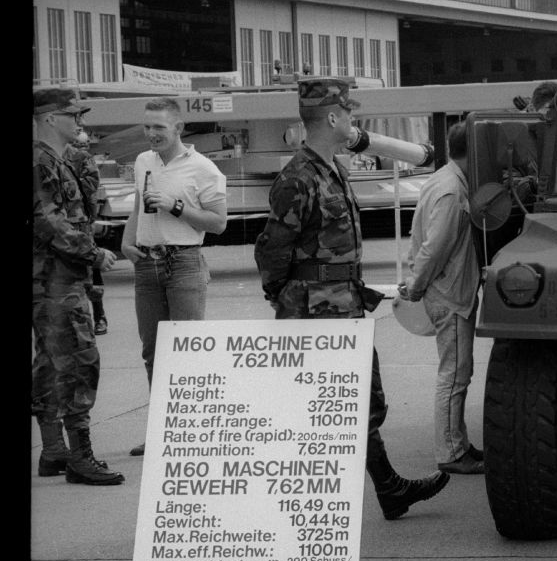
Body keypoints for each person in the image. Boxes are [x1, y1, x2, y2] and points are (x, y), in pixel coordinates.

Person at [255, 78, 450, 519]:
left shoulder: (332, 168)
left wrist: (350, 288)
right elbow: (272, 250)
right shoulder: (298, 177)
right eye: (349, 113)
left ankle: (386, 488)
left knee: (358, 400)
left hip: (342, 303)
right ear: (332, 117)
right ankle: (348, 494)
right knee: (336, 404)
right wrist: (289, 300)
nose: (353, 121)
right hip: (315, 311)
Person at [121, 97, 229, 457]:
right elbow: (139, 203)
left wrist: (175, 206)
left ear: (178, 128)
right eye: (147, 127)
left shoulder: (204, 169)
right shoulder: (143, 161)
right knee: (154, 352)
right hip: (147, 266)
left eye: (159, 128)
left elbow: (218, 223)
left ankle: (191, 433)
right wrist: (127, 239)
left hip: (183, 262)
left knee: (187, 352)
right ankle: (162, 431)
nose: (152, 134)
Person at [32, 85, 122, 485]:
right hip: (56, 280)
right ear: (50, 118)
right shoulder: (40, 160)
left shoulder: (56, 159)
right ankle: (80, 458)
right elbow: (48, 221)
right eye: (74, 115)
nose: (81, 122)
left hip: (57, 279)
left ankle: (54, 452)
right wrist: (93, 252)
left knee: (52, 364)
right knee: (79, 363)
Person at [398, 120, 484, 475]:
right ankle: (450, 452)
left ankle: (457, 442)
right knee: (455, 374)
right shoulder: (452, 191)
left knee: (457, 370)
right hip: (450, 294)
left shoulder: (443, 179)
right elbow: (435, 249)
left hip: (445, 290)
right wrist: (416, 286)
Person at [65, 129, 110, 336]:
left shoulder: (82, 159)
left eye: (84, 145)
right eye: (78, 144)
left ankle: (99, 316)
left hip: (81, 223)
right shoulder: (52, 157)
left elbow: (91, 188)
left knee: (92, 272)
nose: (82, 148)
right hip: (63, 224)